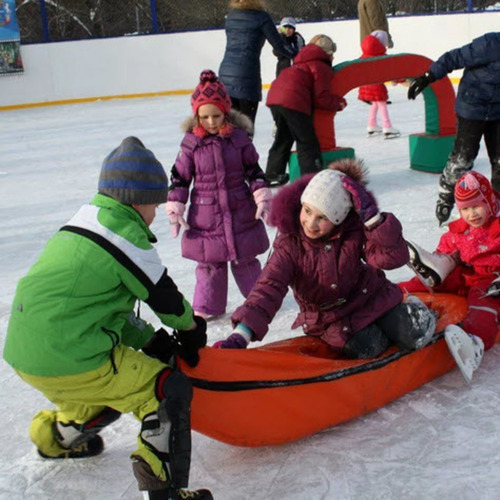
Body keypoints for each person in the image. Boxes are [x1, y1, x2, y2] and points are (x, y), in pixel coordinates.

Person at [3, 137, 212, 499]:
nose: (156, 212)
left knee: (101, 397)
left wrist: (151, 340)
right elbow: (163, 295)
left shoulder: (80, 222)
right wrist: (190, 329)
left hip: (27, 354)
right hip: (74, 353)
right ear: (137, 200)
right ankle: (163, 491)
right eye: (156, 204)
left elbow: (104, 310)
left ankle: (53, 438)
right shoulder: (125, 234)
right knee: (166, 392)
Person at [214, 159, 436, 360]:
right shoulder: (290, 244)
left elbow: (393, 257)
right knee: (368, 347)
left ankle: (415, 314)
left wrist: (372, 220)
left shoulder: (353, 231)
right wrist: (241, 334)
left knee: (413, 332)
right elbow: (268, 288)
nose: (310, 223)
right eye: (308, 211)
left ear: (339, 218)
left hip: (372, 298)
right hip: (331, 320)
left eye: (322, 218)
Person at [166, 69, 272, 320]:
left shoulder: (239, 139)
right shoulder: (191, 143)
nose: (212, 122)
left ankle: (260, 299)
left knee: (246, 259)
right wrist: (175, 206)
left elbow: (254, 170)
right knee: (210, 263)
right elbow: (180, 177)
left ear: (226, 112)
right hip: (206, 214)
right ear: (197, 116)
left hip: (240, 210)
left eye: (216, 115)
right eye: (205, 117)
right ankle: (207, 306)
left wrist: (261, 195)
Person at [400, 170, 500, 383]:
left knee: (484, 306)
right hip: (463, 273)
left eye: (476, 206)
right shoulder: (460, 230)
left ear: (490, 202)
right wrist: (441, 263)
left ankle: (475, 342)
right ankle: (392, 293)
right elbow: (446, 247)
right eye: (465, 209)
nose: (471, 214)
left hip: (490, 279)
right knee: (423, 282)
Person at [407, 32, 500, 226]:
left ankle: (496, 205)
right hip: (471, 107)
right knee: (463, 157)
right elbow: (454, 57)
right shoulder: (490, 44)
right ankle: (446, 197)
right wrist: (428, 76)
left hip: (498, 111)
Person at [265, 35, 347, 187]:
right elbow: (321, 97)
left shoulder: (300, 61)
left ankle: (273, 174)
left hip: (274, 98)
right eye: (332, 53)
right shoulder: (320, 66)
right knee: (307, 141)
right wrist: (338, 103)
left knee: (284, 137)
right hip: (294, 101)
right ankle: (311, 178)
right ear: (327, 53)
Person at [218, 0, 297, 126]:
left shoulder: (232, 16)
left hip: (225, 75)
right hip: (247, 75)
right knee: (246, 128)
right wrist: (300, 55)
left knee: (230, 128)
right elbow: (279, 46)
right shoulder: (261, 17)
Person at [358, 30, 400, 139]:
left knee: (375, 104)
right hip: (376, 85)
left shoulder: (364, 54)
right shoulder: (381, 56)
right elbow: (390, 70)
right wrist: (396, 80)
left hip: (365, 85)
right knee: (382, 104)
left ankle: (371, 124)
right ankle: (387, 126)